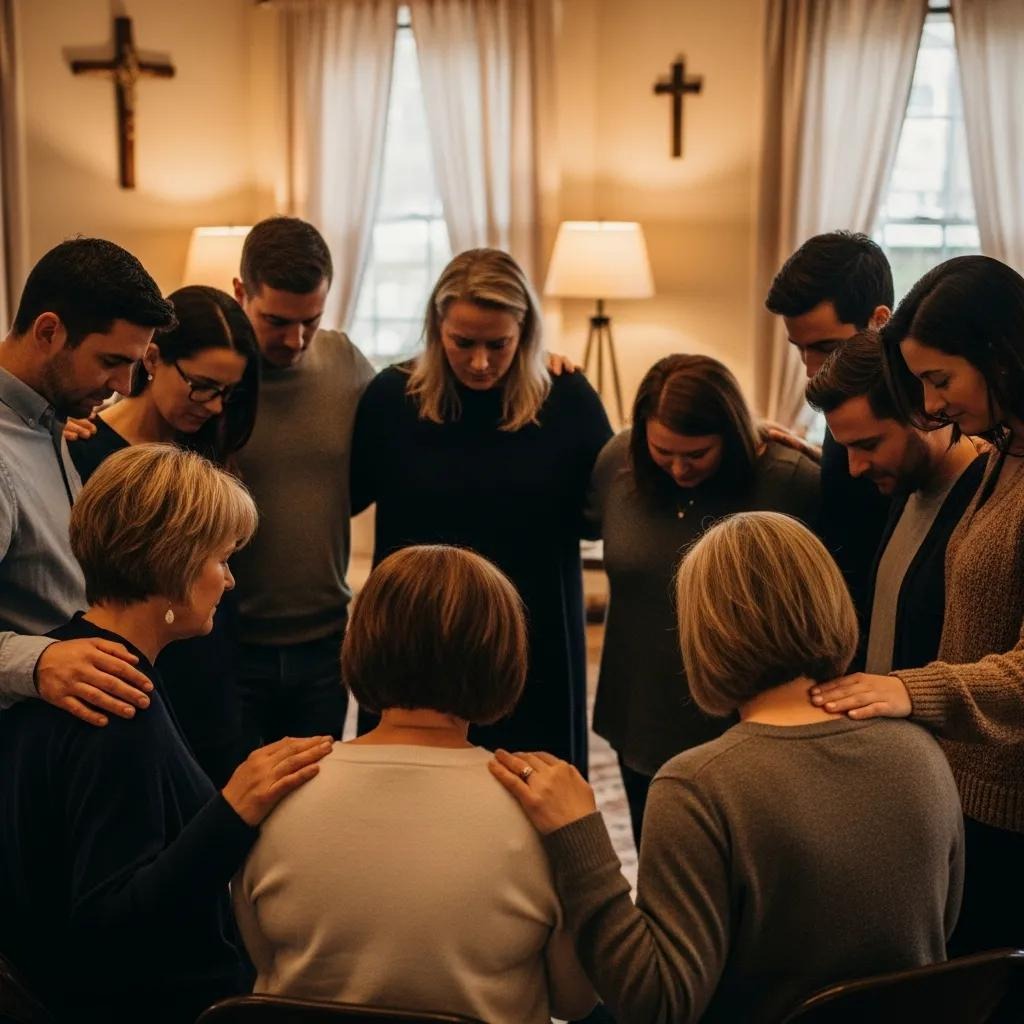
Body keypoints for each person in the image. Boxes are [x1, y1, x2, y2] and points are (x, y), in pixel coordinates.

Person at [492, 512, 963, 1024]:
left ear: (703, 633)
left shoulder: (700, 786)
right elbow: (940, 927)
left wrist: (580, 838)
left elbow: (656, 1005)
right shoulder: (921, 751)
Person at [0, 444, 332, 1023]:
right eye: (223, 559)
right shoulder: (117, 703)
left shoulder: (70, 657)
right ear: (173, 561)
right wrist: (235, 808)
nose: (229, 581)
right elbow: (112, 924)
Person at [233, 544, 596, 1024]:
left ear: (360, 641)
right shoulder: (543, 814)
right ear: (502, 657)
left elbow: (260, 959)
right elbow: (575, 1000)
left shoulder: (275, 790)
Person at [811, 255, 1024, 955]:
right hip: (966, 798)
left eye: (939, 380)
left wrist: (904, 689)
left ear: (998, 353)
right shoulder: (1003, 456)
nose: (932, 406)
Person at [350, 248, 612, 771]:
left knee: (534, 800)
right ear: (435, 328)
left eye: (500, 344)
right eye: (462, 342)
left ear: (527, 333)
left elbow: (615, 502)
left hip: (533, 643)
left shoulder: (567, 400)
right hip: (416, 636)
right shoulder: (390, 400)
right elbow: (342, 492)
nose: (480, 362)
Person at [588, 353, 819, 846]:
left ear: (732, 434)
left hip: (745, 735)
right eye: (662, 450)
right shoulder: (618, 462)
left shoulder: (788, 481)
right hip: (640, 718)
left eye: (695, 454)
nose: (677, 467)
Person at [67, 286, 261, 785]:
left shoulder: (209, 449)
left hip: (214, 680)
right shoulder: (84, 448)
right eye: (202, 386)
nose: (216, 407)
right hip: (129, 678)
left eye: (228, 393)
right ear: (153, 357)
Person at [0, 237, 174, 724]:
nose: (123, 385)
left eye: (134, 364)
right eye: (110, 361)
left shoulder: (51, 415)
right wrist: (36, 663)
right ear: (49, 331)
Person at [227, 217, 377, 750]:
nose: (294, 340)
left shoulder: (348, 364)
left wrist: (536, 355)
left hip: (325, 643)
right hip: (228, 641)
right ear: (240, 292)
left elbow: (417, 416)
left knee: (312, 805)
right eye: (276, 320)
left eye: (311, 321)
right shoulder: (209, 371)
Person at [806, 331, 985, 674]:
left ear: (925, 415)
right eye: (846, 447)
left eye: (869, 445)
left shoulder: (982, 509)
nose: (855, 468)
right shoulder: (905, 489)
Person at [765, 231, 893, 622]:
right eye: (799, 348)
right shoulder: (842, 398)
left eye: (824, 347)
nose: (809, 368)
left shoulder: (922, 413)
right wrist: (819, 458)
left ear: (879, 320)